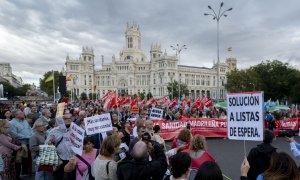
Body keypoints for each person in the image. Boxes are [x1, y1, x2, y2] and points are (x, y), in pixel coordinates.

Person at [45, 113, 75, 180]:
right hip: (59, 158)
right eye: (66, 119)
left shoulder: (76, 130)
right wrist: (50, 141)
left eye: (70, 118)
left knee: (72, 177)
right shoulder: (54, 131)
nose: (68, 120)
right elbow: (46, 144)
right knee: (58, 176)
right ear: (61, 120)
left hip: (72, 158)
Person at [8, 109, 33, 176]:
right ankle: (17, 175)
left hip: (28, 142)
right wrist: (27, 136)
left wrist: (31, 135)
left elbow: (30, 129)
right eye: (21, 113)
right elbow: (14, 134)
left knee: (27, 157)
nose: (23, 114)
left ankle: (26, 171)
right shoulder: (11, 123)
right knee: (18, 160)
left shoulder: (25, 121)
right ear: (16, 115)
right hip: (19, 144)